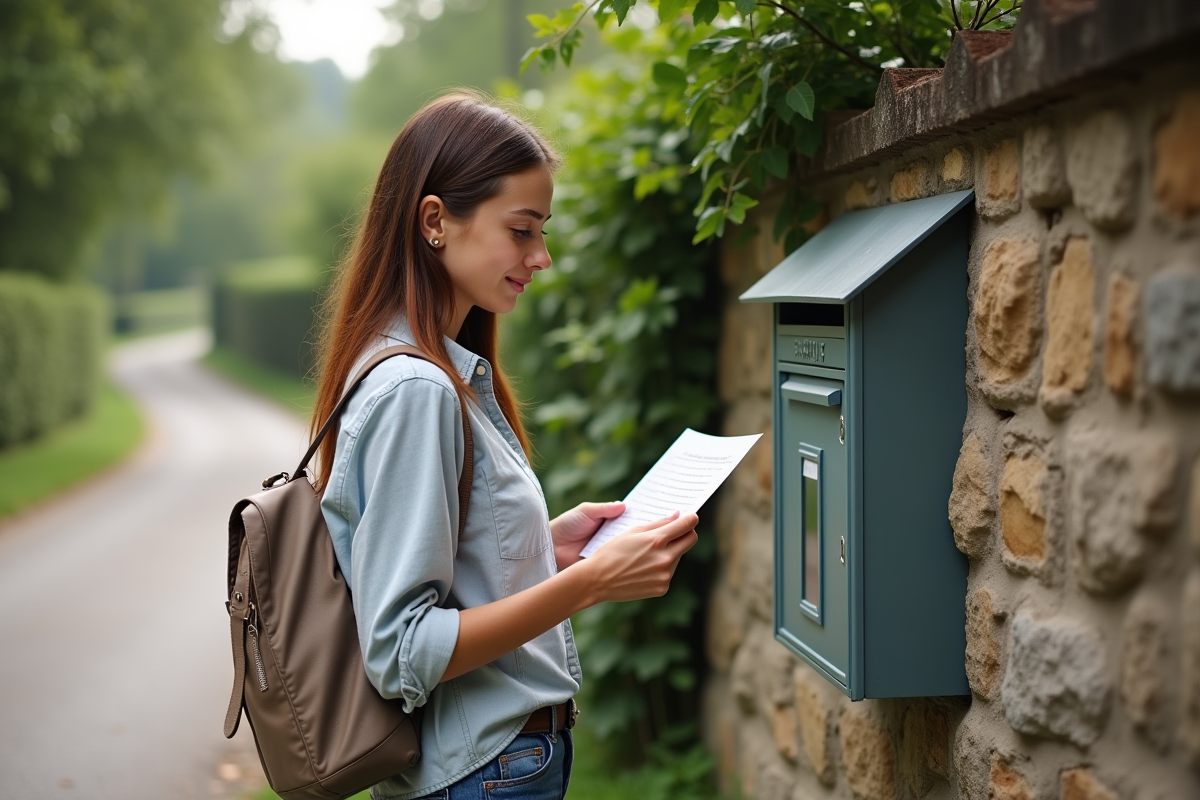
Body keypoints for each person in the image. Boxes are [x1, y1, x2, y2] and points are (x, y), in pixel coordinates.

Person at [312, 92, 700, 800]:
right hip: (482, 775)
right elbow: (402, 651)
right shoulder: (417, 390)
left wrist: (546, 549)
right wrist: (590, 583)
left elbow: (443, 566)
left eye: (541, 231)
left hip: (493, 770)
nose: (541, 256)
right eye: (521, 231)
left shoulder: (434, 370)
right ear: (436, 220)